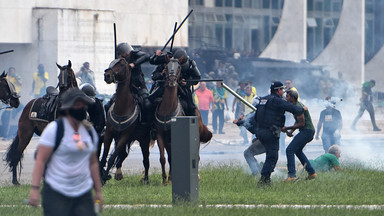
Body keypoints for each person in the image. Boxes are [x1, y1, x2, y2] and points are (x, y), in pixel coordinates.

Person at [28, 88, 103, 215]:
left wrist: (98, 191)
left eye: (83, 104)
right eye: (77, 104)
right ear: (68, 107)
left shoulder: (89, 132)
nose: (81, 107)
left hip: (83, 193)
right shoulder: (54, 130)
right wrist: (34, 189)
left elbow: (93, 162)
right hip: (56, 192)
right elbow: (40, 159)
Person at [254, 81, 304, 187]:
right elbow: (291, 108)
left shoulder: (263, 99)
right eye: (282, 90)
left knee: (269, 156)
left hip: (260, 131)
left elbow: (256, 115)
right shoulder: (276, 100)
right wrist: (302, 109)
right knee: (272, 157)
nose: (283, 92)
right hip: (270, 132)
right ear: (278, 90)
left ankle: (265, 178)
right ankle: (264, 180)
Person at [149, 47, 201, 116]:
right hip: (164, 86)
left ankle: (191, 124)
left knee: (191, 107)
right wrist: (161, 74)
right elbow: (154, 76)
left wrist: (187, 83)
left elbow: (197, 78)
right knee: (148, 102)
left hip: (183, 88)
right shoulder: (165, 62)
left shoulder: (190, 64)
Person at [282, 90, 317, 182]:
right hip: (307, 131)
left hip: (307, 131)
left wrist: (287, 128)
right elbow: (298, 121)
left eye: (287, 96)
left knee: (289, 150)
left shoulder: (297, 106)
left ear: (292, 98)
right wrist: (291, 130)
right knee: (297, 150)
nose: (286, 98)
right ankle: (311, 172)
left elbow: (301, 123)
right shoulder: (296, 106)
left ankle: (291, 175)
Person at [280, 79, 299, 155]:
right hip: (286, 115)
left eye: (289, 83)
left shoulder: (293, 91)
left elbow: (293, 104)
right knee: (283, 134)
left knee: (293, 132)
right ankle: (282, 150)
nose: (287, 84)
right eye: (286, 83)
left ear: (292, 83)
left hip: (290, 115)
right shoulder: (287, 90)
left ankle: (297, 147)